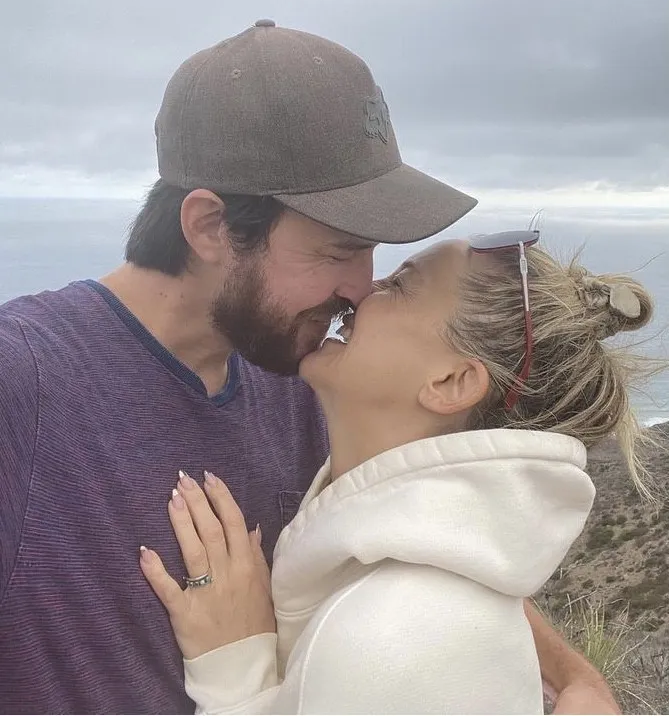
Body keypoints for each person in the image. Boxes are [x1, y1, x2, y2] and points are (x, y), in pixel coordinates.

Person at [0, 20, 615, 714]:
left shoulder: (299, 372)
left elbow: (417, 542)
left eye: (373, 252)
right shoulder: (24, 385)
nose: (361, 288)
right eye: (336, 251)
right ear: (210, 228)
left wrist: (575, 678)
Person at [141, 230, 655, 713]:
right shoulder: (417, 589)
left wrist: (234, 675)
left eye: (402, 284)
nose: (363, 291)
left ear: (451, 382)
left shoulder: (391, 637)